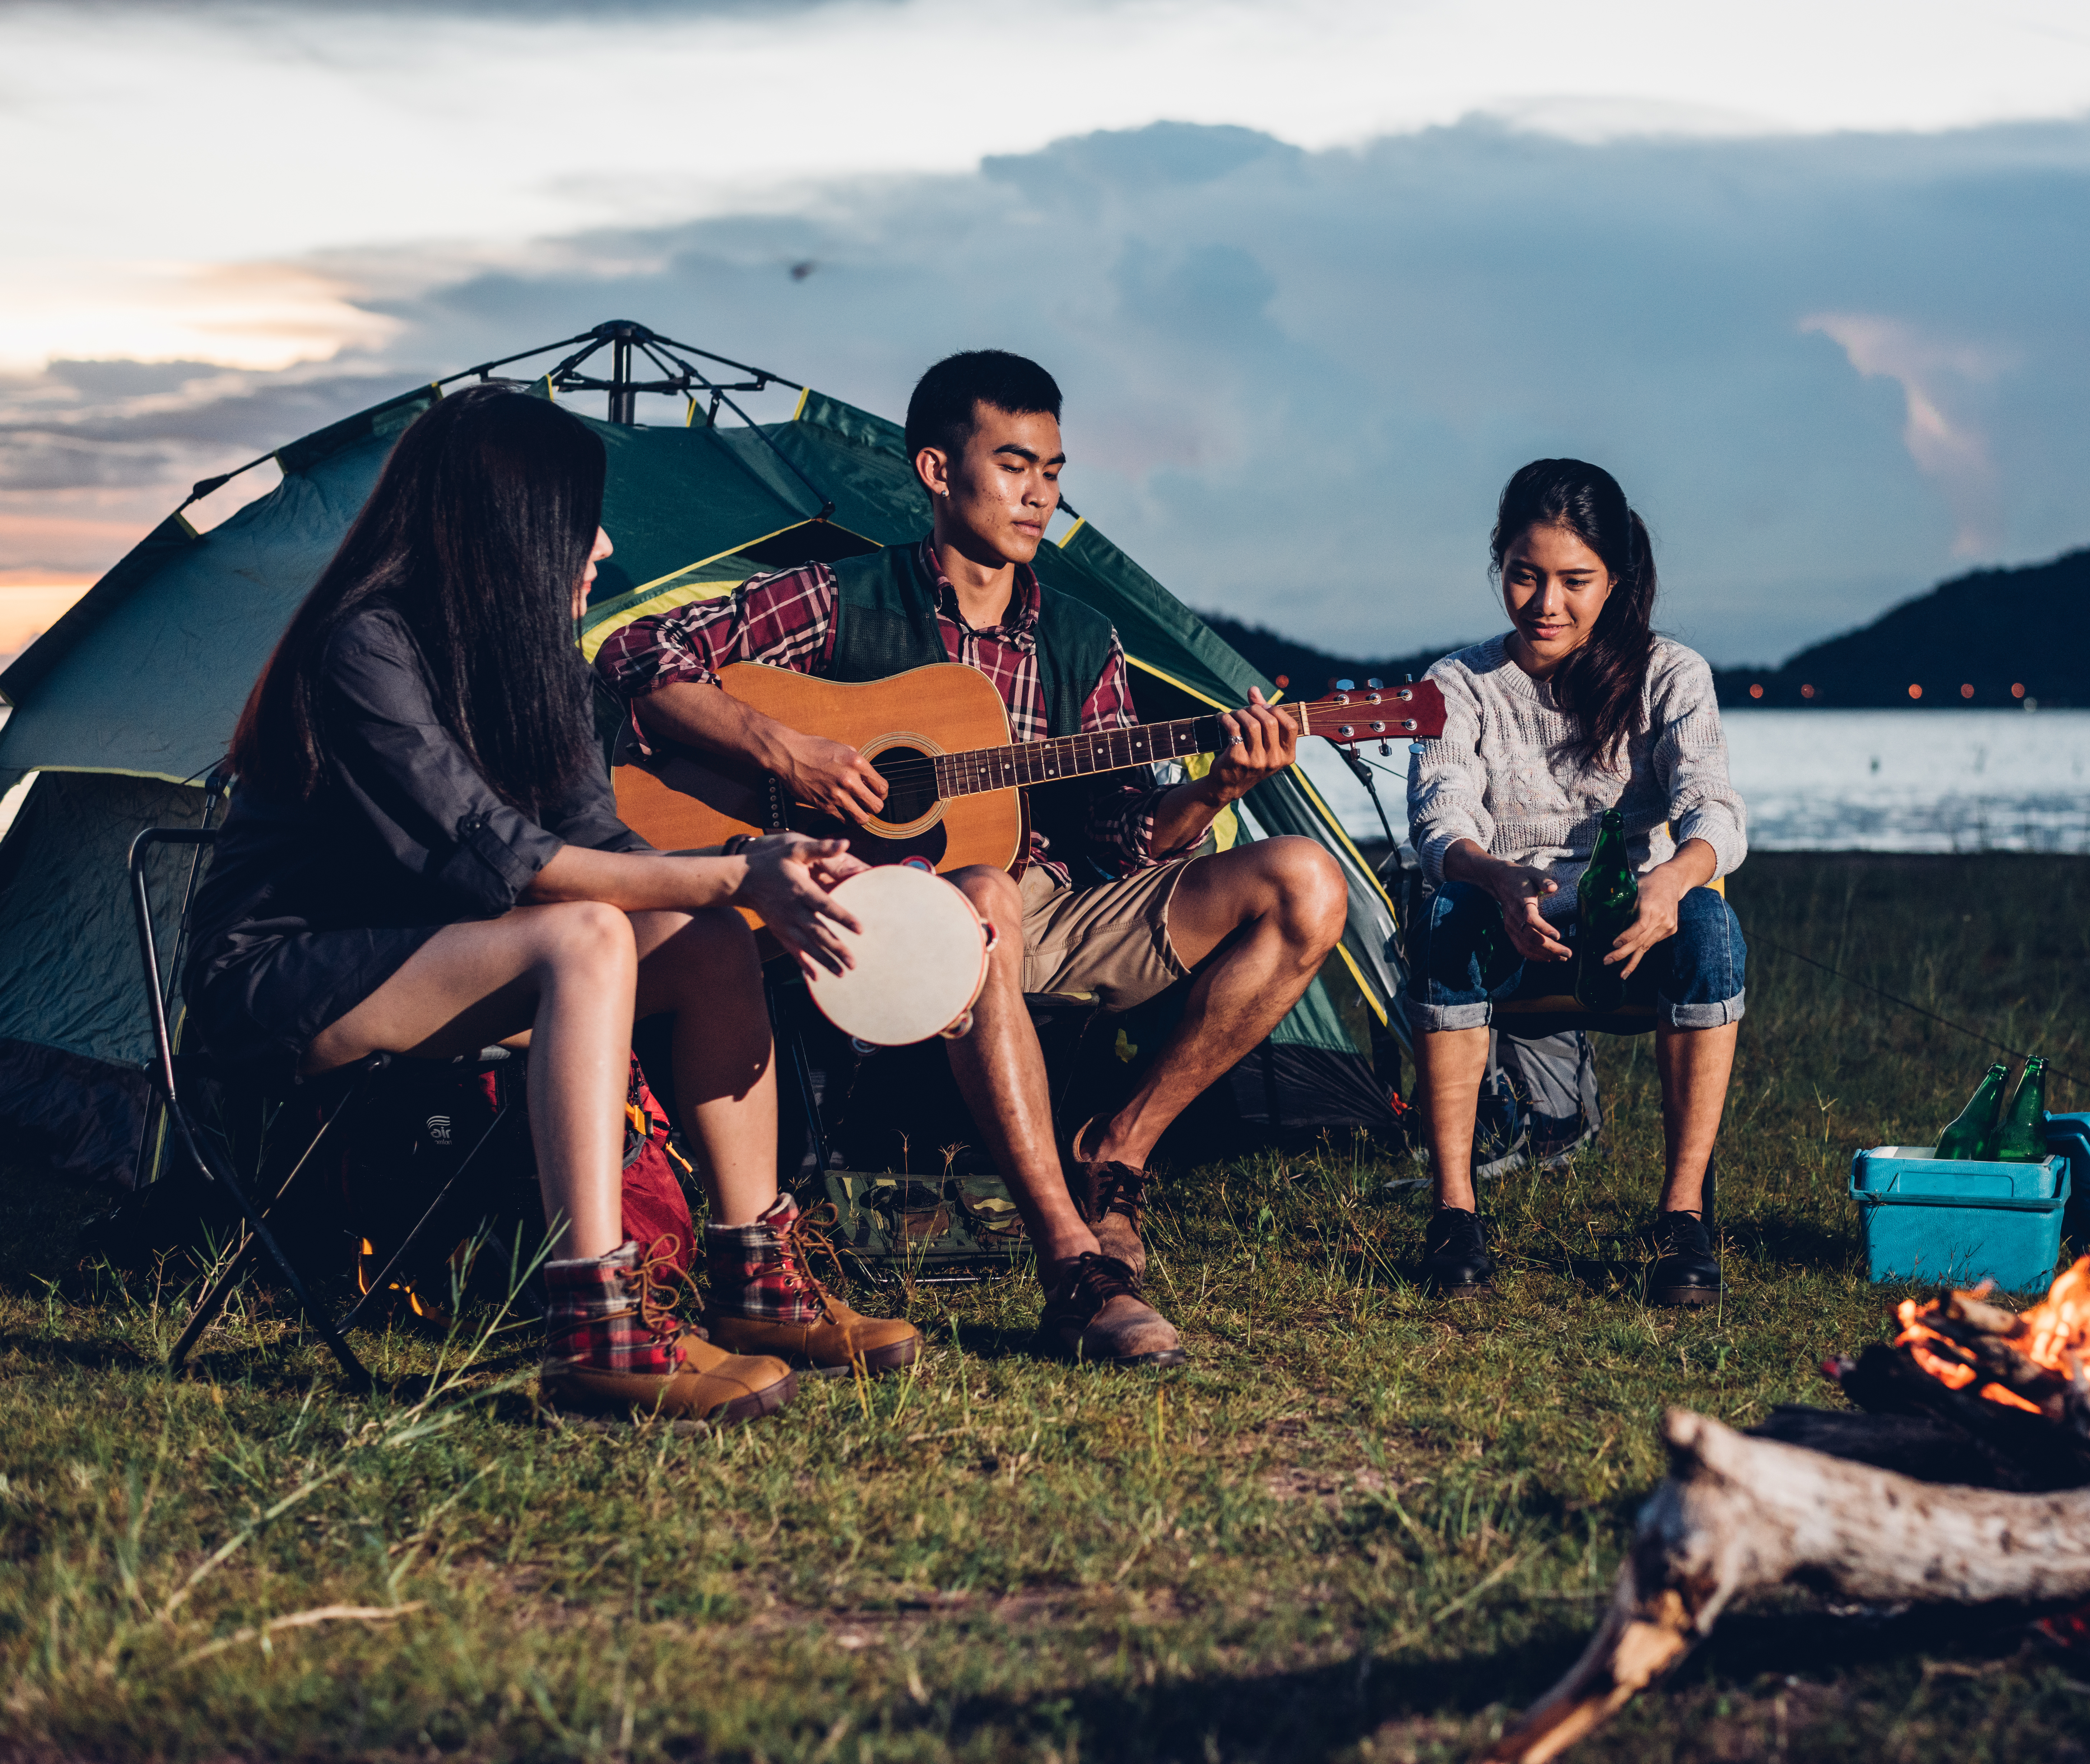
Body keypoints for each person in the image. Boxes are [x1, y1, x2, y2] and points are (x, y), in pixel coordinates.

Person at [188, 384, 927, 1423]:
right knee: (583, 935)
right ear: (509, 528)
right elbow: (508, 859)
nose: (604, 546)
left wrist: (767, 873)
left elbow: (607, 848)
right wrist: (733, 869)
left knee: (708, 935)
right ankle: (594, 1326)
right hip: (282, 979)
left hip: (438, 951)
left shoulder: (544, 668)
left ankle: (755, 1278)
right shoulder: (362, 648)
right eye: (582, 521)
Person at [595, 350, 1348, 1367]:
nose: (1041, 494)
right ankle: (1073, 1265)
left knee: (1305, 880)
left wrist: (1217, 788)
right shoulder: (840, 597)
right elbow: (636, 652)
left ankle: (1116, 1152)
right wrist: (788, 751)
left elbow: (1123, 836)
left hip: (1039, 909)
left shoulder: (1081, 639)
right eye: (1014, 465)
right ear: (937, 471)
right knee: (981, 891)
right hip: (855, 909)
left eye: (1054, 471)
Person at [1406, 458, 1749, 1305]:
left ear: (1615, 580)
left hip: (1628, 921)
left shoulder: (1670, 674)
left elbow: (1713, 810)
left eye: (1574, 580)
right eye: (1525, 575)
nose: (1545, 602)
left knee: (1710, 925)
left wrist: (1671, 882)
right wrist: (1495, 878)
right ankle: (1454, 1211)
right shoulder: (1459, 683)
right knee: (1446, 910)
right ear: (1500, 563)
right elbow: (1440, 818)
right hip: (1508, 916)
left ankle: (1680, 1216)